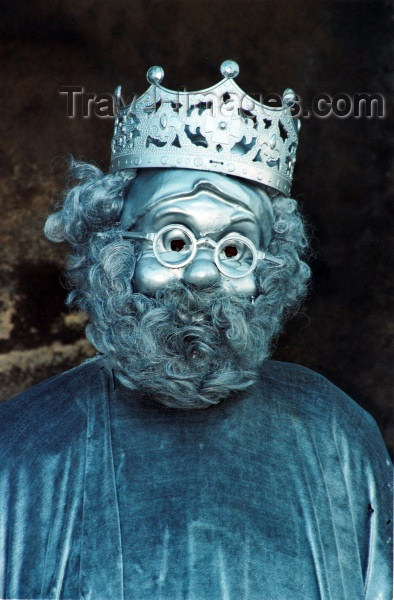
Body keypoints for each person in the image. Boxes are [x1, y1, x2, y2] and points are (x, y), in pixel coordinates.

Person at [0, 61, 392, 600]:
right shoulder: (21, 448)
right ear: (114, 250)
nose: (203, 274)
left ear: (267, 270)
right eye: (175, 241)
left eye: (234, 250)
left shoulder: (336, 436)